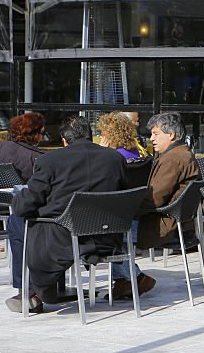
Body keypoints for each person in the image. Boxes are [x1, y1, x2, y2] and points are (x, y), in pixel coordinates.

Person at [8, 116, 128, 313]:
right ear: (90, 136)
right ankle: (35, 291)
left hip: (63, 239)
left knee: (17, 220)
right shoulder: (115, 158)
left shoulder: (50, 161)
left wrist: (18, 200)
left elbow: (26, 203)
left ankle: (29, 291)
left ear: (64, 140)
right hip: (107, 236)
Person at [111, 112, 200, 299]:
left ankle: (133, 278)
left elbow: (154, 199)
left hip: (163, 224)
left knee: (110, 229)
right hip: (178, 221)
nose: (151, 138)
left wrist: (124, 209)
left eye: (155, 134)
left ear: (171, 135)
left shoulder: (172, 159)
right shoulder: (182, 153)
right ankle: (125, 281)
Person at [0, 112, 46, 294]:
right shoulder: (35, 158)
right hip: (22, 209)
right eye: (41, 132)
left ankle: (25, 287)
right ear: (34, 134)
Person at [0, 112, 45, 182]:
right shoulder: (37, 158)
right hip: (20, 192)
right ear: (35, 134)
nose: (43, 137)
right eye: (42, 133)